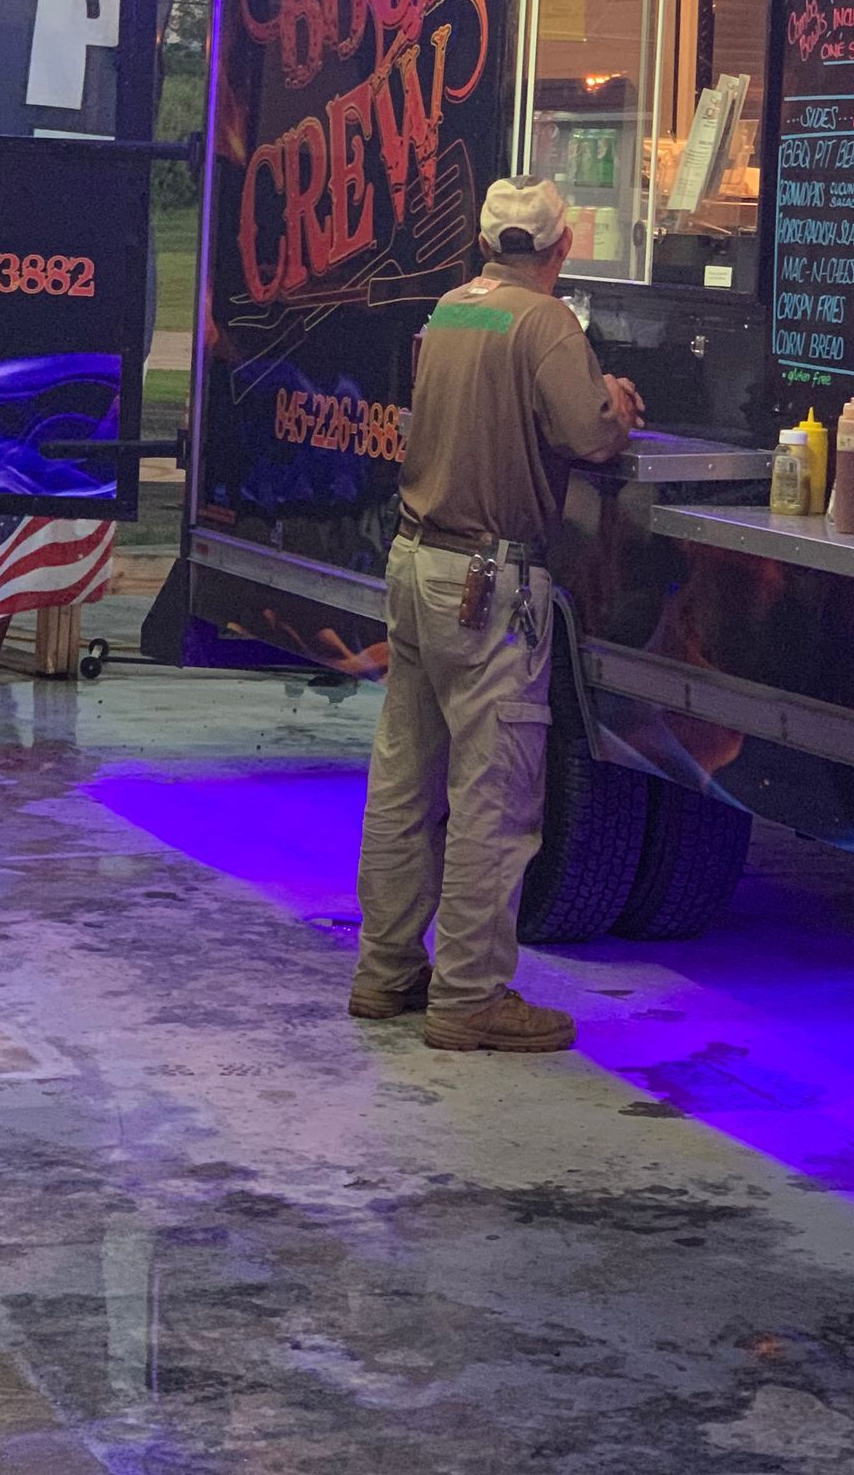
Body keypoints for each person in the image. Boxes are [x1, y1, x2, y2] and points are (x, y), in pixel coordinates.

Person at [351, 175, 644, 1052]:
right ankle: (470, 997)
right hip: (487, 584)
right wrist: (617, 403)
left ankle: (386, 971)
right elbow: (589, 435)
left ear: (489, 244)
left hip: (414, 564)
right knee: (492, 796)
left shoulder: (453, 310)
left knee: (406, 784)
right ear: (560, 248)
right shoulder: (546, 322)